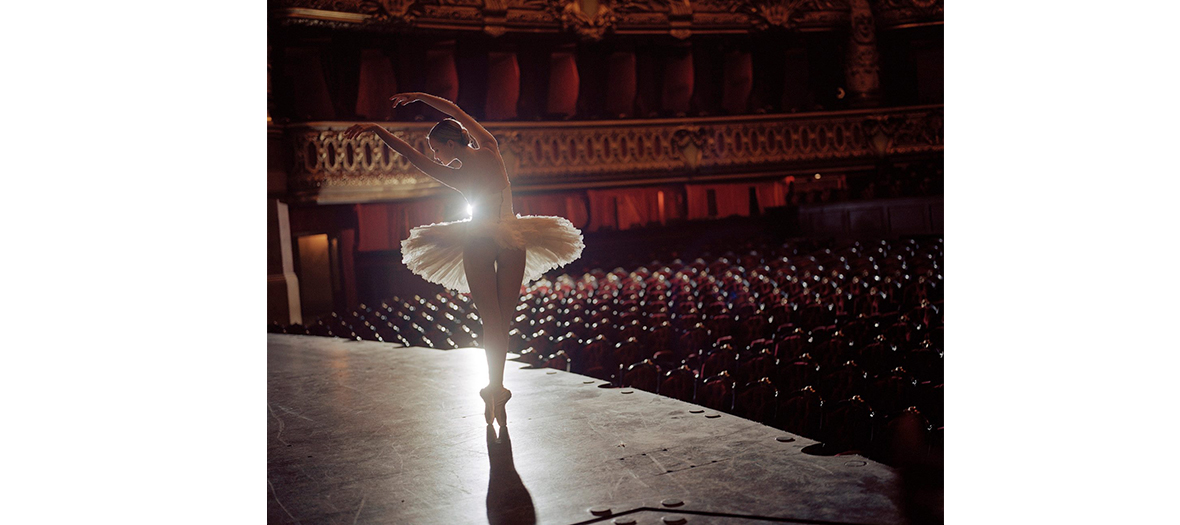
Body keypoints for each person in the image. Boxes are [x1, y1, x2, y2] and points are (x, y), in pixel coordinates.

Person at [344, 92, 584, 426]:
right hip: (513, 237)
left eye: (437, 150)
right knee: (502, 321)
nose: (436, 157)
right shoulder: (490, 147)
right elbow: (454, 109)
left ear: (450, 144)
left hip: (480, 240)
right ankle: (495, 388)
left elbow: (408, 153)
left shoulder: (456, 174)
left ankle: (494, 387)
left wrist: (375, 128)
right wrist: (419, 98)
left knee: (491, 321)